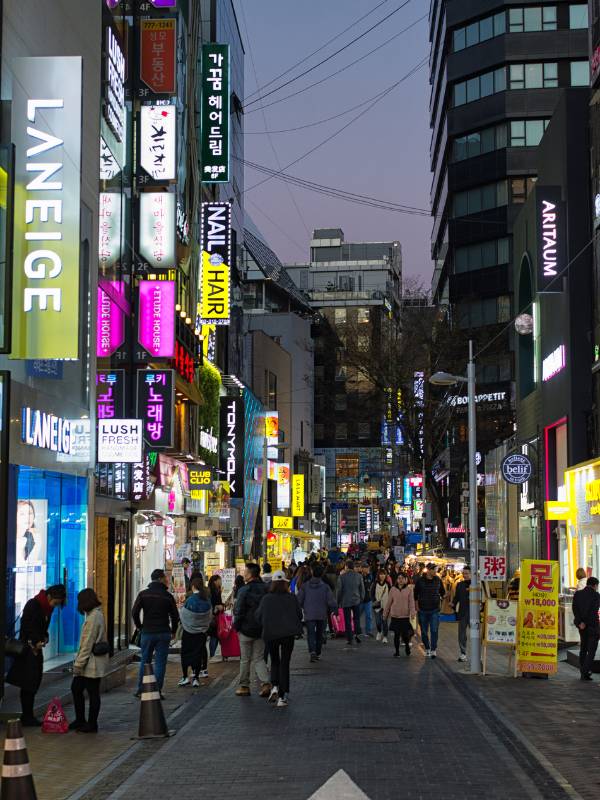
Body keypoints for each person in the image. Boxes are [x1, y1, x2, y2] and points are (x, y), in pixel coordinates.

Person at [6, 584, 67, 726]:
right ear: (49, 596)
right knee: (28, 683)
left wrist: (44, 637)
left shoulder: (47, 608)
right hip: (28, 651)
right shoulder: (34, 604)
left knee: (33, 682)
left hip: (36, 650)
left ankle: (28, 715)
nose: (55, 605)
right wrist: (35, 640)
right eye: (55, 602)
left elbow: (42, 628)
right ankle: (27, 716)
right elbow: (27, 626)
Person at [256, 571, 303, 708]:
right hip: (288, 634)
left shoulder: (266, 599)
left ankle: (275, 686)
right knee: (285, 663)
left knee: (274, 660)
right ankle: (283, 696)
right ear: (285, 583)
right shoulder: (291, 598)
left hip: (271, 634)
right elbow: (299, 615)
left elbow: (258, 616)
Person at [132, 568, 179, 697]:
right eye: (165, 577)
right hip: (163, 632)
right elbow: (175, 616)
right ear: (160, 579)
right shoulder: (167, 596)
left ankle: (141, 689)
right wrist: (174, 630)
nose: (167, 579)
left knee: (145, 661)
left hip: (147, 632)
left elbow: (134, 612)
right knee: (160, 662)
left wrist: (139, 626)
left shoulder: (143, 594)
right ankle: (157, 690)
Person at [70, 589, 109, 733]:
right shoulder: (95, 615)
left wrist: (78, 665)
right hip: (90, 663)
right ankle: (81, 720)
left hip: (91, 664)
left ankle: (91, 724)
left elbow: (87, 643)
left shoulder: (93, 617)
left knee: (92, 692)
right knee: (77, 688)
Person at [233, 563, 271, 697]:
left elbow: (238, 610)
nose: (244, 573)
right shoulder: (266, 589)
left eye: (245, 571)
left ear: (250, 574)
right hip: (261, 628)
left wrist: (236, 626)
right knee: (259, 658)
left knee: (245, 659)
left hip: (245, 629)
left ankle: (244, 686)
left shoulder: (244, 590)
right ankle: (266, 683)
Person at [297, 564, 337, 661]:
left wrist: (303, 607)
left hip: (309, 613)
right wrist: (334, 610)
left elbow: (299, 600)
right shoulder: (325, 587)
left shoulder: (305, 586)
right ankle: (318, 652)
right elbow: (331, 601)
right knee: (320, 633)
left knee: (310, 633)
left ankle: (312, 651)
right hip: (322, 613)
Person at [179, 576, 212, 686]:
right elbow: (209, 617)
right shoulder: (206, 601)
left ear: (193, 586)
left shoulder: (190, 600)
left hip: (188, 632)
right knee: (198, 654)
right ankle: (196, 678)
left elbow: (183, 615)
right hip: (201, 633)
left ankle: (185, 677)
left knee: (185, 654)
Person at [414, 562, 445, 658]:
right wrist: (416, 606)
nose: (436, 571)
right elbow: (415, 595)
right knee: (423, 631)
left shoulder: (438, 580)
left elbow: (443, 592)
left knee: (434, 630)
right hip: (422, 610)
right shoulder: (420, 581)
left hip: (435, 610)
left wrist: (443, 600)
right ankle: (427, 648)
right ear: (429, 570)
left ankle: (433, 649)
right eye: (434, 570)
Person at [573, 576, 600, 681]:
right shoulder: (596, 595)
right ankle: (585, 671)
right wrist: (585, 622)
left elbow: (575, 609)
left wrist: (580, 622)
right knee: (592, 651)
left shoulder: (578, 594)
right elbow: (593, 612)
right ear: (595, 585)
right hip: (592, 626)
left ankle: (583, 672)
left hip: (582, 627)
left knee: (583, 648)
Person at [384, 573, 417, 656]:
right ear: (397, 580)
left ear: (406, 579)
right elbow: (389, 603)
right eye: (399, 578)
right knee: (396, 635)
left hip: (405, 616)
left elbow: (411, 602)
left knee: (405, 635)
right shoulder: (393, 589)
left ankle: (407, 646)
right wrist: (385, 613)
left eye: (402, 578)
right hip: (395, 616)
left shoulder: (409, 590)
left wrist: (413, 612)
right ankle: (397, 651)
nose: (401, 580)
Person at [337, 560, 364, 645]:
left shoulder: (342, 577)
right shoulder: (359, 576)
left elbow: (339, 590)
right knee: (356, 619)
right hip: (356, 600)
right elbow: (362, 589)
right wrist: (361, 598)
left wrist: (338, 601)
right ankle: (357, 634)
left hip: (346, 601)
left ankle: (349, 638)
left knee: (347, 620)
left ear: (347, 567)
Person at [452, 566, 471, 662]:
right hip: (463, 612)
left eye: (467, 573)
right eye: (464, 573)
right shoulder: (459, 585)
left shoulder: (477, 585)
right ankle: (463, 653)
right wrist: (453, 604)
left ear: (471, 574)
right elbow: (456, 598)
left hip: (474, 614)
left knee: (476, 635)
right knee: (462, 634)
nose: (465, 575)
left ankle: (478, 654)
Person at [207, 574, 224, 660]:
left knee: (217, 635)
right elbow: (210, 604)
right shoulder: (210, 591)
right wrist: (217, 607)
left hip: (217, 616)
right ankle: (212, 655)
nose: (221, 581)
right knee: (214, 636)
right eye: (219, 580)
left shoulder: (217, 590)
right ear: (215, 581)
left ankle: (215, 655)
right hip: (213, 617)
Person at [372, 570, 390, 643]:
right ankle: (379, 632)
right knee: (378, 621)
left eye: (383, 574)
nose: (382, 576)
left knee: (384, 621)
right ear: (378, 575)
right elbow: (371, 593)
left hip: (386, 606)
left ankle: (385, 636)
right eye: (381, 574)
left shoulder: (388, 584)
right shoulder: (375, 583)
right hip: (377, 606)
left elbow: (391, 594)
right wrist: (374, 601)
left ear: (385, 575)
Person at [360, 563, 375, 637]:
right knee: (357, 616)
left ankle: (368, 631)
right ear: (362, 568)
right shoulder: (359, 576)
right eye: (365, 568)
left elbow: (372, 584)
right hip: (359, 600)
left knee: (368, 615)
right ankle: (356, 630)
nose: (367, 569)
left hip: (368, 599)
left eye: (368, 568)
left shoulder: (370, 576)